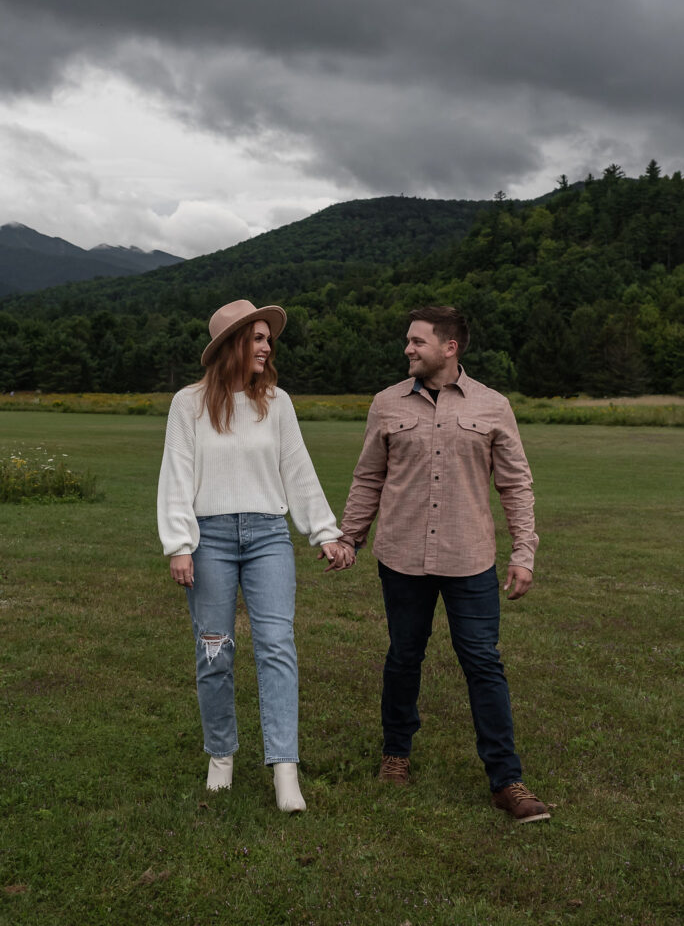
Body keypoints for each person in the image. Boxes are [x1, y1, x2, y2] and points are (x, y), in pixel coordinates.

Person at [335, 306, 550, 823]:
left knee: (482, 663)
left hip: (469, 558)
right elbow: (368, 478)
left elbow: (515, 483)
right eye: (407, 341)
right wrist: (349, 539)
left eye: (417, 341)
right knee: (404, 657)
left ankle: (507, 781)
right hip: (402, 557)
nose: (407, 349)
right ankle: (396, 755)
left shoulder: (493, 406)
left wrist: (525, 551)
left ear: (449, 346)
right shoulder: (386, 404)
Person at [157, 299, 352, 812]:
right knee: (214, 650)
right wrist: (179, 543)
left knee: (276, 646)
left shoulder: (278, 403)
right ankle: (221, 756)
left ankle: (284, 769)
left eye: (269, 338)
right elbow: (176, 474)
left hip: (268, 536)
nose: (268, 347)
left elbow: (298, 470)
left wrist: (325, 532)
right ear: (232, 345)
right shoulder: (188, 404)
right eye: (259, 338)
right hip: (211, 540)